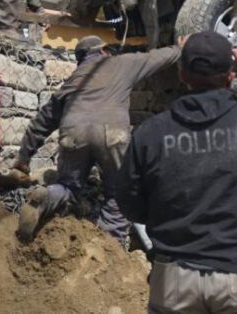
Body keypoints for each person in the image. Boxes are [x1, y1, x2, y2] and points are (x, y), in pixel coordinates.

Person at [116, 32, 237, 314]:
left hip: (175, 280)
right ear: (232, 77)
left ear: (182, 74)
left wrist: (165, 216)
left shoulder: (151, 134)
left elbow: (129, 203)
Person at [13, 36, 181, 244]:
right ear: (103, 51)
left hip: (73, 133)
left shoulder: (74, 79)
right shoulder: (122, 63)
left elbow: (41, 122)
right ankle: (110, 247)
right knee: (117, 192)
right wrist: (179, 47)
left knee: (70, 187)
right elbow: (157, 58)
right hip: (112, 134)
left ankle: (48, 197)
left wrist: (23, 158)